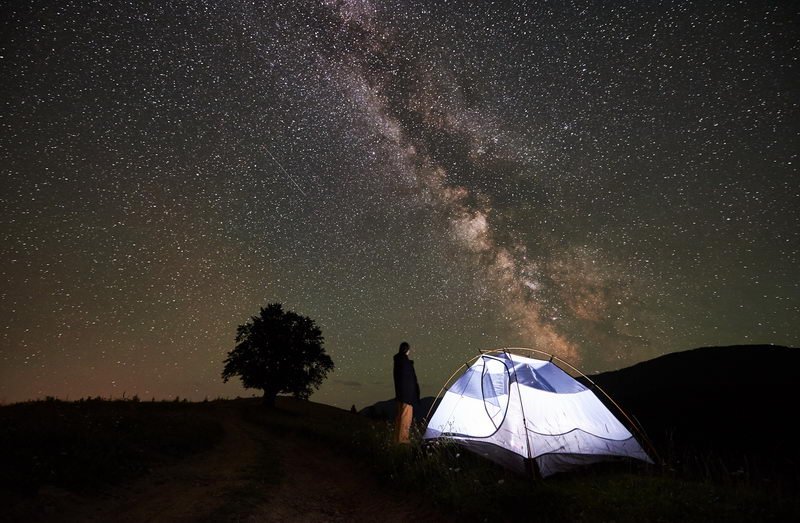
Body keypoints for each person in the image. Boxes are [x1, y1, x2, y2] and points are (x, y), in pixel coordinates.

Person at [393, 341, 420, 444]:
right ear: (407, 350)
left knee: (399, 417)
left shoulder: (398, 361)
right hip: (407, 396)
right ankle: (403, 441)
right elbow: (410, 381)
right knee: (405, 418)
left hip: (400, 395)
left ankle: (397, 440)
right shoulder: (405, 363)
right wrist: (413, 396)